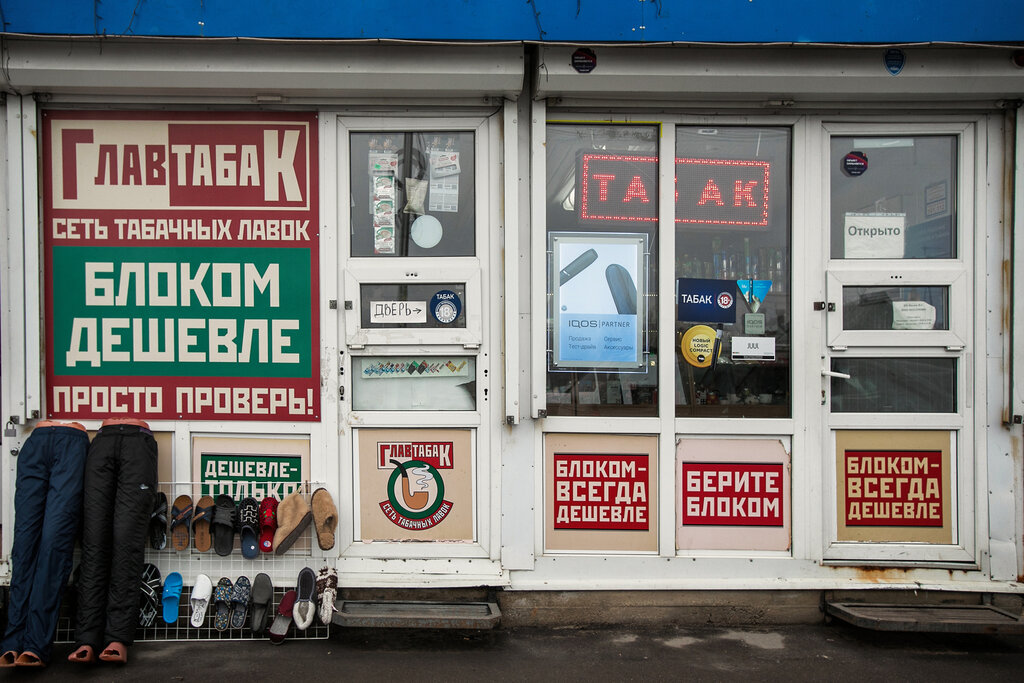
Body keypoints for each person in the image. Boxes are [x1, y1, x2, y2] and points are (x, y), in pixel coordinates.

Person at [68, 418, 158, 665]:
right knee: (93, 544)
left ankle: (117, 638)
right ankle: (86, 639)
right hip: (103, 441)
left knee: (126, 545)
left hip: (138, 443)